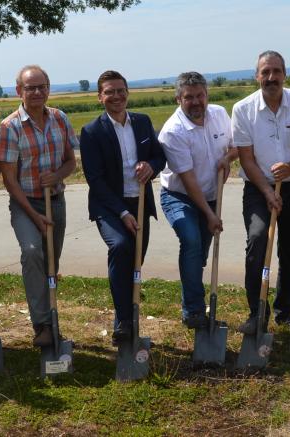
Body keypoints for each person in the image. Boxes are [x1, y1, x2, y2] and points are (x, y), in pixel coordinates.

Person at [232, 50, 290, 333]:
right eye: (265, 72)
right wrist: (268, 193)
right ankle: (257, 312)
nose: (271, 77)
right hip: (258, 188)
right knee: (257, 241)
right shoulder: (243, 109)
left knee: (289, 252)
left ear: (285, 74)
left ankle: (284, 312)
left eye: (276, 71)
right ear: (257, 76)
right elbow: (246, 158)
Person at [79, 70, 166, 342]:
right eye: (109, 92)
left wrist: (151, 166)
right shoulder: (92, 131)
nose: (116, 96)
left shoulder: (142, 122)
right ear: (99, 97)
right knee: (121, 247)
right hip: (110, 206)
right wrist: (123, 213)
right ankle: (124, 323)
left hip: (140, 201)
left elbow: (159, 155)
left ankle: (125, 318)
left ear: (127, 93)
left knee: (135, 261)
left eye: (120, 91)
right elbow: (95, 179)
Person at [0, 65, 79, 347]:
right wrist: (33, 215)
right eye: (30, 87)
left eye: (41, 86)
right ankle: (42, 325)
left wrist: (56, 175)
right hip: (25, 203)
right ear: (19, 91)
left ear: (48, 88)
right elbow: (9, 179)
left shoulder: (60, 118)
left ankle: (53, 315)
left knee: (51, 262)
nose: (36, 92)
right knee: (32, 253)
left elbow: (70, 161)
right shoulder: (9, 127)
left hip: (55, 200)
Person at [156, 72, 238, 330]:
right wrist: (210, 215)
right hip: (180, 196)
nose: (196, 102)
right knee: (191, 241)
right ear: (178, 99)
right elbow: (189, 181)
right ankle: (193, 310)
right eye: (188, 97)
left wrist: (229, 158)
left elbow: (238, 146)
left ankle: (192, 301)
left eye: (200, 95)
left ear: (207, 95)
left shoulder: (220, 115)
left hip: (213, 194)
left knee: (199, 255)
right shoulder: (173, 131)